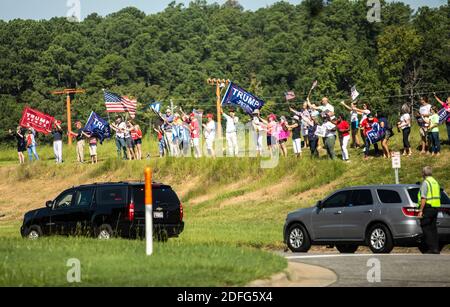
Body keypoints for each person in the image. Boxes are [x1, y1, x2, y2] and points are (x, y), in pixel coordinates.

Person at [417, 166, 441, 254]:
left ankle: (431, 248)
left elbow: (423, 198)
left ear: (423, 173)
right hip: (436, 207)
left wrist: (420, 210)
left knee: (426, 227)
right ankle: (436, 248)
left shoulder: (425, 183)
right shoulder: (435, 182)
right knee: (433, 228)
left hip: (428, 207)